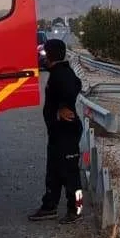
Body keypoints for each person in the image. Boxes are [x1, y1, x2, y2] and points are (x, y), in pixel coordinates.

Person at [28, 38, 85, 223]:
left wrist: (63, 106)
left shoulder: (63, 73)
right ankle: (49, 206)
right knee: (53, 171)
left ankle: (76, 209)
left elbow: (75, 85)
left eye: (45, 51)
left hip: (67, 131)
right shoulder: (56, 72)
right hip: (57, 132)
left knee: (71, 174)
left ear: (51, 54)